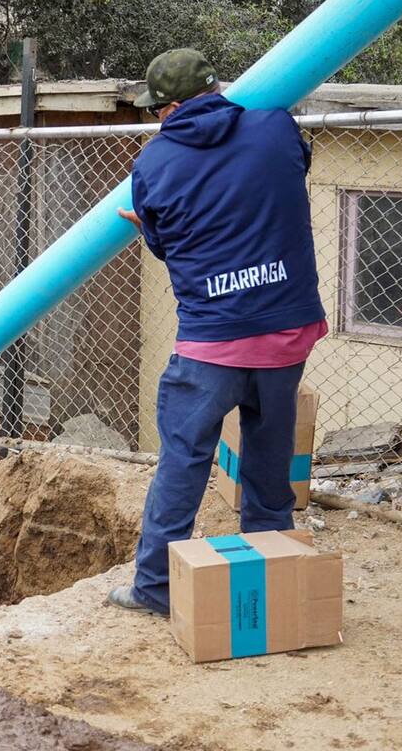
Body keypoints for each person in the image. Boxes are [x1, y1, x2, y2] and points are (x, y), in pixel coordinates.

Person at [108, 48, 327, 616]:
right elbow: (288, 177)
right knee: (269, 458)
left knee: (183, 461)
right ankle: (271, 570)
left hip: (212, 338)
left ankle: (154, 589)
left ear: (171, 107)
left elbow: (165, 241)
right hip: (284, 329)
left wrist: (147, 229)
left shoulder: (153, 165)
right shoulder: (275, 125)